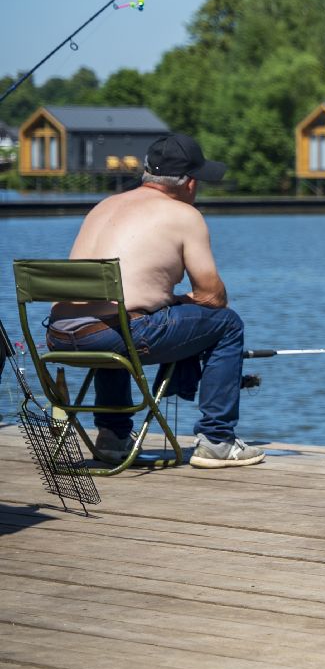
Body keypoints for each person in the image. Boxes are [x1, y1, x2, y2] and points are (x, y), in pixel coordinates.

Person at [45, 133, 264, 469]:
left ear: (147, 173)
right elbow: (213, 297)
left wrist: (169, 300)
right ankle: (217, 440)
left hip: (59, 333)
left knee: (117, 317)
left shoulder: (104, 205)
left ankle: (114, 437)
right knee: (228, 324)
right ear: (190, 184)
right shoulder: (183, 215)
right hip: (115, 332)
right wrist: (184, 299)